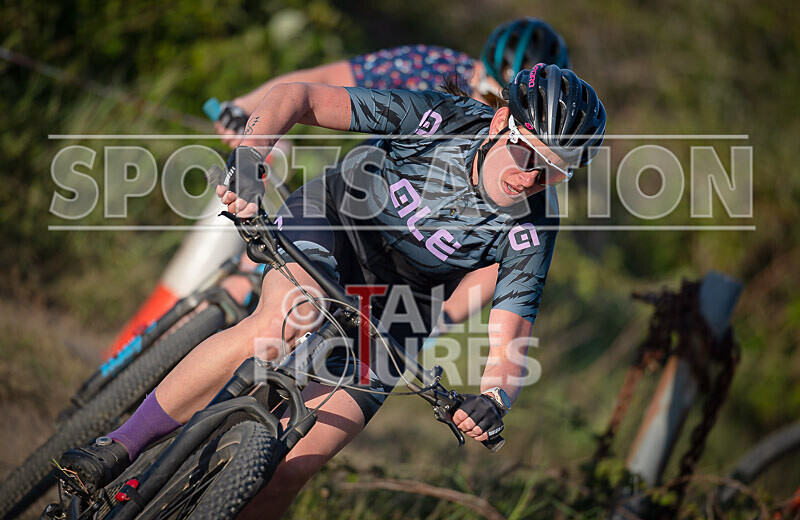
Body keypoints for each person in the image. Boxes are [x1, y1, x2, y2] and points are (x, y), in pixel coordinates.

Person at [58, 64, 605, 519]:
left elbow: (511, 332)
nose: (531, 178)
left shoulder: (534, 226)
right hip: (335, 224)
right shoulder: (438, 119)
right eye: (527, 154)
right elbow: (297, 97)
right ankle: (119, 446)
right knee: (282, 322)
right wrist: (249, 157)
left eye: (554, 172)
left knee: (292, 467)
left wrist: (494, 399)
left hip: (402, 305)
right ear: (501, 122)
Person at [215, 17, 571, 334]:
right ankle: (229, 291)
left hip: (418, 261)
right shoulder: (434, 67)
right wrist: (246, 105)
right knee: (253, 282)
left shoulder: (526, 182)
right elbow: (325, 81)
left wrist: (446, 318)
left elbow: (501, 265)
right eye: (491, 96)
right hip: (363, 185)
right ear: (476, 71)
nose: (492, 115)